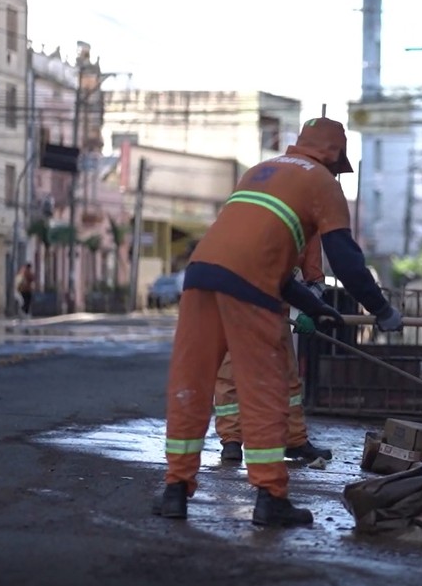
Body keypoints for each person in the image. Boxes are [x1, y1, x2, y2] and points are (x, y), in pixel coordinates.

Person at [154, 117, 403, 527]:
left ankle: (174, 491)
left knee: (191, 384)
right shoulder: (324, 183)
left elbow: (258, 254)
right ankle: (270, 497)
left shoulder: (260, 172)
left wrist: (315, 306)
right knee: (264, 388)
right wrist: (382, 310)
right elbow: (344, 256)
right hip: (249, 288)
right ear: (336, 155)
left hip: (200, 276)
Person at [213, 240, 333, 465]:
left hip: (274, 311)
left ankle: (294, 440)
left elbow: (313, 280)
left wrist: (306, 311)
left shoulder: (310, 230)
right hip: (236, 305)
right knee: (229, 374)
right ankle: (231, 441)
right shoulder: (259, 216)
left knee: (286, 377)